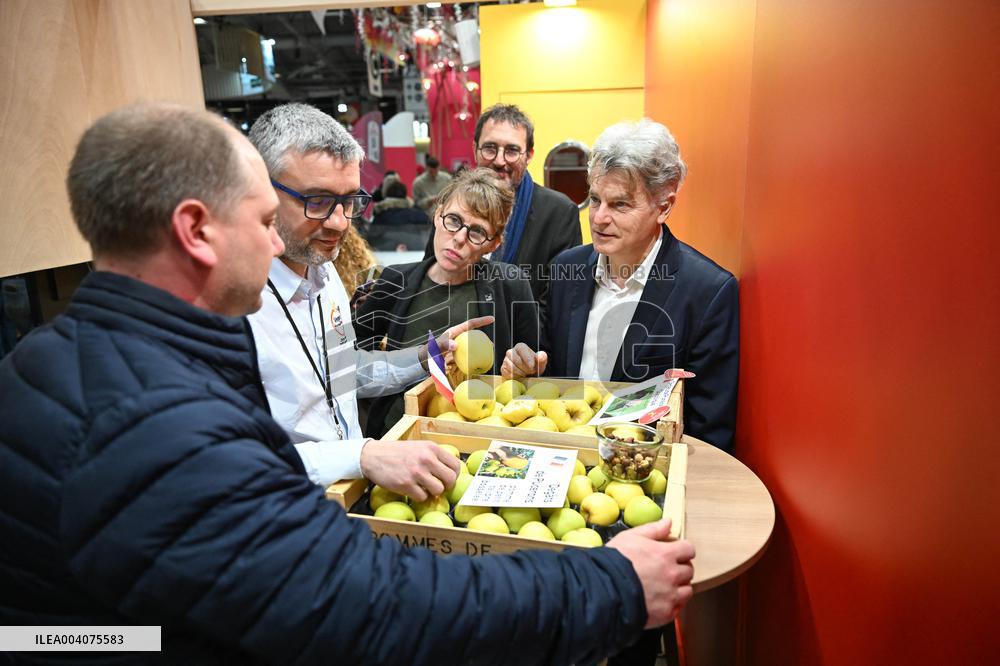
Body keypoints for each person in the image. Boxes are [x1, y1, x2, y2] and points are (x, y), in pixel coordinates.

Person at [0, 102, 696, 664]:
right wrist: (609, 586)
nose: (280, 244)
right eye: (267, 219)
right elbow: (366, 604)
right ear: (196, 229)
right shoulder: (154, 420)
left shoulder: (51, 359)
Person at [247, 102, 468, 499]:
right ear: (260, 192)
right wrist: (361, 455)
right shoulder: (230, 306)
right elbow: (236, 461)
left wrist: (427, 355)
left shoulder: (325, 271)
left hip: (348, 500)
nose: (339, 223)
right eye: (317, 201)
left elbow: (344, 372)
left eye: (349, 201)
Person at [503, 119, 740, 452]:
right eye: (595, 199)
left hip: (644, 475)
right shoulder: (564, 270)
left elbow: (707, 433)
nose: (598, 218)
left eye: (620, 205)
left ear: (664, 206)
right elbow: (548, 365)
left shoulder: (707, 293)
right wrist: (524, 365)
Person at [355, 168, 540, 437]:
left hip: (477, 435)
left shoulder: (509, 284)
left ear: (494, 244)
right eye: (453, 220)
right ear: (437, 214)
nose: (459, 238)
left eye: (477, 232)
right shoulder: (396, 280)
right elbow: (351, 354)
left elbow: (530, 356)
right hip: (400, 433)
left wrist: (521, 365)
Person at [425, 104, 581, 304]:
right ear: (475, 149)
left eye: (512, 150)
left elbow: (559, 301)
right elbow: (431, 273)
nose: (499, 161)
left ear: (529, 155)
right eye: (490, 148)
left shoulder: (559, 213)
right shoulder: (452, 201)